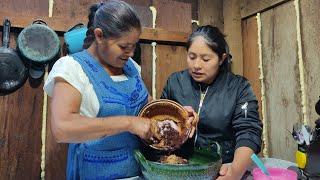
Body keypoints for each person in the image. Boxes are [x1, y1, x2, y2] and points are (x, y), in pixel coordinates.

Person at [43, 1, 197, 179]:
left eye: (134, 46)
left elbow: (146, 106)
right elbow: (62, 128)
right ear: (99, 36)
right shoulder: (72, 68)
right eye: (124, 47)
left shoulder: (129, 66)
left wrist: (176, 117)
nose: (131, 53)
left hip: (136, 172)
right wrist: (130, 123)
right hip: (94, 173)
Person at [160, 25, 263, 179]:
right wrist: (177, 115)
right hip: (181, 167)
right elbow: (158, 122)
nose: (196, 65)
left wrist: (235, 172)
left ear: (221, 59)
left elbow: (249, 132)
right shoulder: (175, 82)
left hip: (223, 168)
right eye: (192, 56)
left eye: (205, 59)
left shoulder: (238, 87)